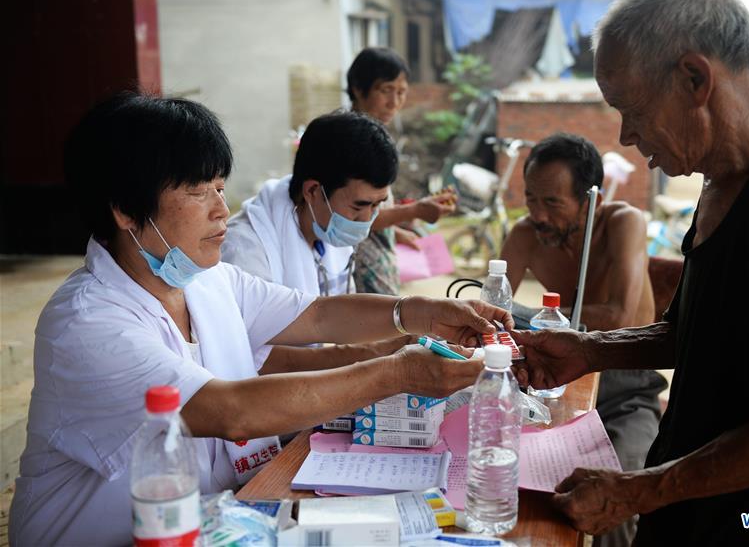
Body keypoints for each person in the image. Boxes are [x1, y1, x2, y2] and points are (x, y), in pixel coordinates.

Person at [9, 93, 509, 546]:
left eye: (221, 188)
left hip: (215, 522)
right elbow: (230, 412)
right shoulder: (86, 324)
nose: (222, 211)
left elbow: (316, 316)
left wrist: (418, 313)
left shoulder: (206, 280)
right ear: (124, 210)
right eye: (198, 191)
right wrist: (400, 371)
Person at [511, 0, 749, 545]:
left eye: (631, 109)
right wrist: (587, 350)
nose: (626, 135)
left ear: (694, 78)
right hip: (690, 517)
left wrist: (638, 490)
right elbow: (691, 333)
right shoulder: (718, 189)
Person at [500, 133, 666, 547]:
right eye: (531, 199)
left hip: (624, 393)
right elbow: (491, 309)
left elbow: (621, 319)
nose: (538, 215)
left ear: (591, 201)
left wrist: (529, 319)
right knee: (514, 487)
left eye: (552, 203)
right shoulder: (526, 234)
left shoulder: (624, 222)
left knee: (616, 495)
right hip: (551, 394)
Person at [222, 110, 395, 297]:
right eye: (358, 206)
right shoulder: (244, 252)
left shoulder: (328, 236)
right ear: (312, 191)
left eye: (377, 205)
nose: (367, 219)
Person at [346, 47, 456, 295]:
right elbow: (352, 217)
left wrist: (394, 231)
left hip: (379, 261)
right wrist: (416, 210)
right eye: (385, 90)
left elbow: (368, 216)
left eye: (401, 92)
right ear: (357, 88)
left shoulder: (373, 134)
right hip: (358, 265)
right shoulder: (350, 140)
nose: (394, 102)